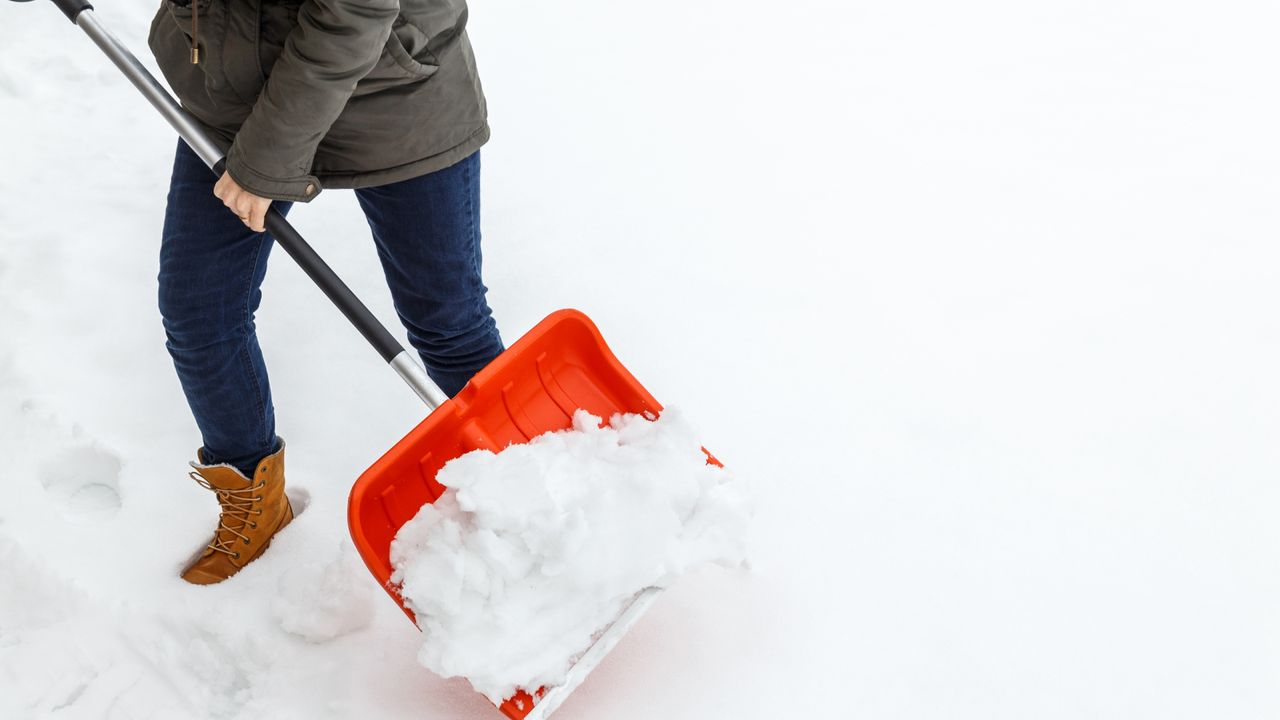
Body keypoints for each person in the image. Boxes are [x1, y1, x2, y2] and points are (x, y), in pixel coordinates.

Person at [147, 0, 503, 584]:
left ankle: (532, 494)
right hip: (236, 92)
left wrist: (264, 163)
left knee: (448, 325)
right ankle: (253, 498)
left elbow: (354, 13)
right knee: (199, 312)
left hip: (392, 95)